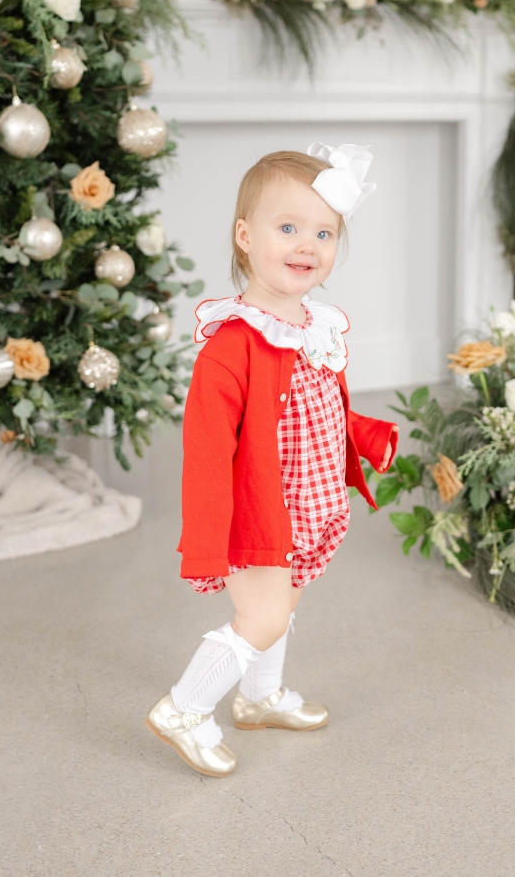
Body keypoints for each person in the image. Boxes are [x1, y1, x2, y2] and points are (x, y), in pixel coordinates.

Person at [146, 145, 398, 776]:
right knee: (261, 613)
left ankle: (257, 698)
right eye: (287, 227)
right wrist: (207, 538)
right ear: (244, 236)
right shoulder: (232, 346)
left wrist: (362, 434)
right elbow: (206, 453)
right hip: (256, 514)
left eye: (324, 232)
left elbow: (313, 411)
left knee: (285, 605)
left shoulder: (314, 327)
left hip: (301, 504)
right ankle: (184, 707)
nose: (305, 244)